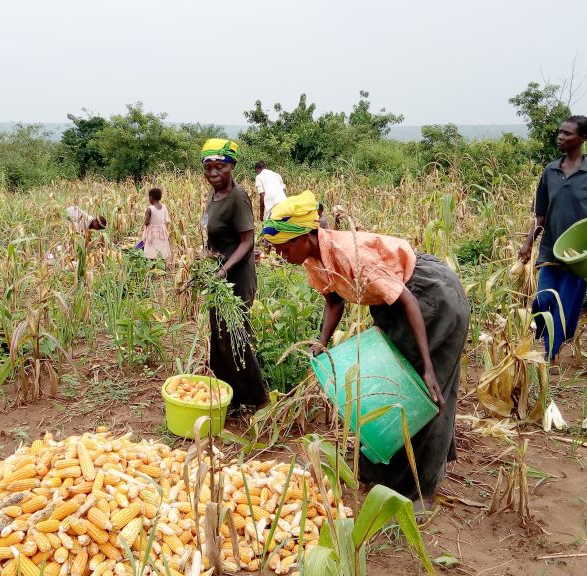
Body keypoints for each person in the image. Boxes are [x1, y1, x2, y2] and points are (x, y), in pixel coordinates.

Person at [261, 190, 469, 508]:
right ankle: (378, 466)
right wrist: (320, 343)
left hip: (430, 299)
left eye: (284, 248)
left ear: (305, 236)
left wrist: (427, 367)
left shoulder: (350, 253)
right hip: (393, 304)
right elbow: (334, 301)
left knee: (423, 394)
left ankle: (418, 490)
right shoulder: (314, 258)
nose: (281, 255)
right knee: (391, 389)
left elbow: (408, 300)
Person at [517, 115, 587, 362]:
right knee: (542, 299)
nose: (560, 136)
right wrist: (528, 243)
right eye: (560, 132)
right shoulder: (550, 171)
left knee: (564, 308)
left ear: (583, 137)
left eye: (567, 133)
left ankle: (550, 356)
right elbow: (540, 214)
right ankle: (546, 336)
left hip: (579, 254)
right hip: (550, 250)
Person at [201, 139, 268, 409]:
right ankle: (227, 395)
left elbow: (247, 242)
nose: (213, 173)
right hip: (218, 276)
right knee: (219, 335)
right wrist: (206, 259)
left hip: (236, 278)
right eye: (208, 167)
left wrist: (223, 270)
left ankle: (256, 398)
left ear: (233, 166)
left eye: (220, 167)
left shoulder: (238, 197)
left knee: (235, 336)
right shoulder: (213, 195)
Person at [141, 187, 170, 259]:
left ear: (151, 198)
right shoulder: (164, 207)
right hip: (162, 232)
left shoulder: (150, 209)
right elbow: (166, 220)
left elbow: (146, 223)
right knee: (161, 247)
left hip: (152, 232)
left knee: (151, 248)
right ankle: (161, 263)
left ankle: (152, 263)